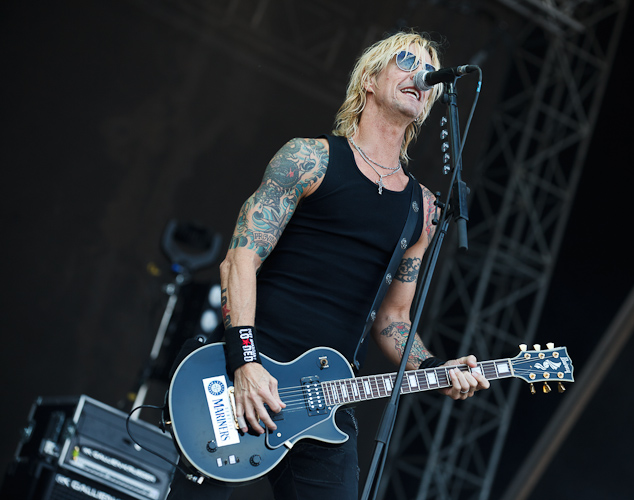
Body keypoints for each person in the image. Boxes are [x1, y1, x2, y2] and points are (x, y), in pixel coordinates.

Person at [167, 29, 489, 500]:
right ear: (369, 81)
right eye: (405, 61)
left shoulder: (422, 209)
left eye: (429, 72)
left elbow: (394, 319)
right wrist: (245, 363)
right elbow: (240, 259)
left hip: (328, 399)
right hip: (247, 373)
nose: (421, 75)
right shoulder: (309, 159)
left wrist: (436, 367)